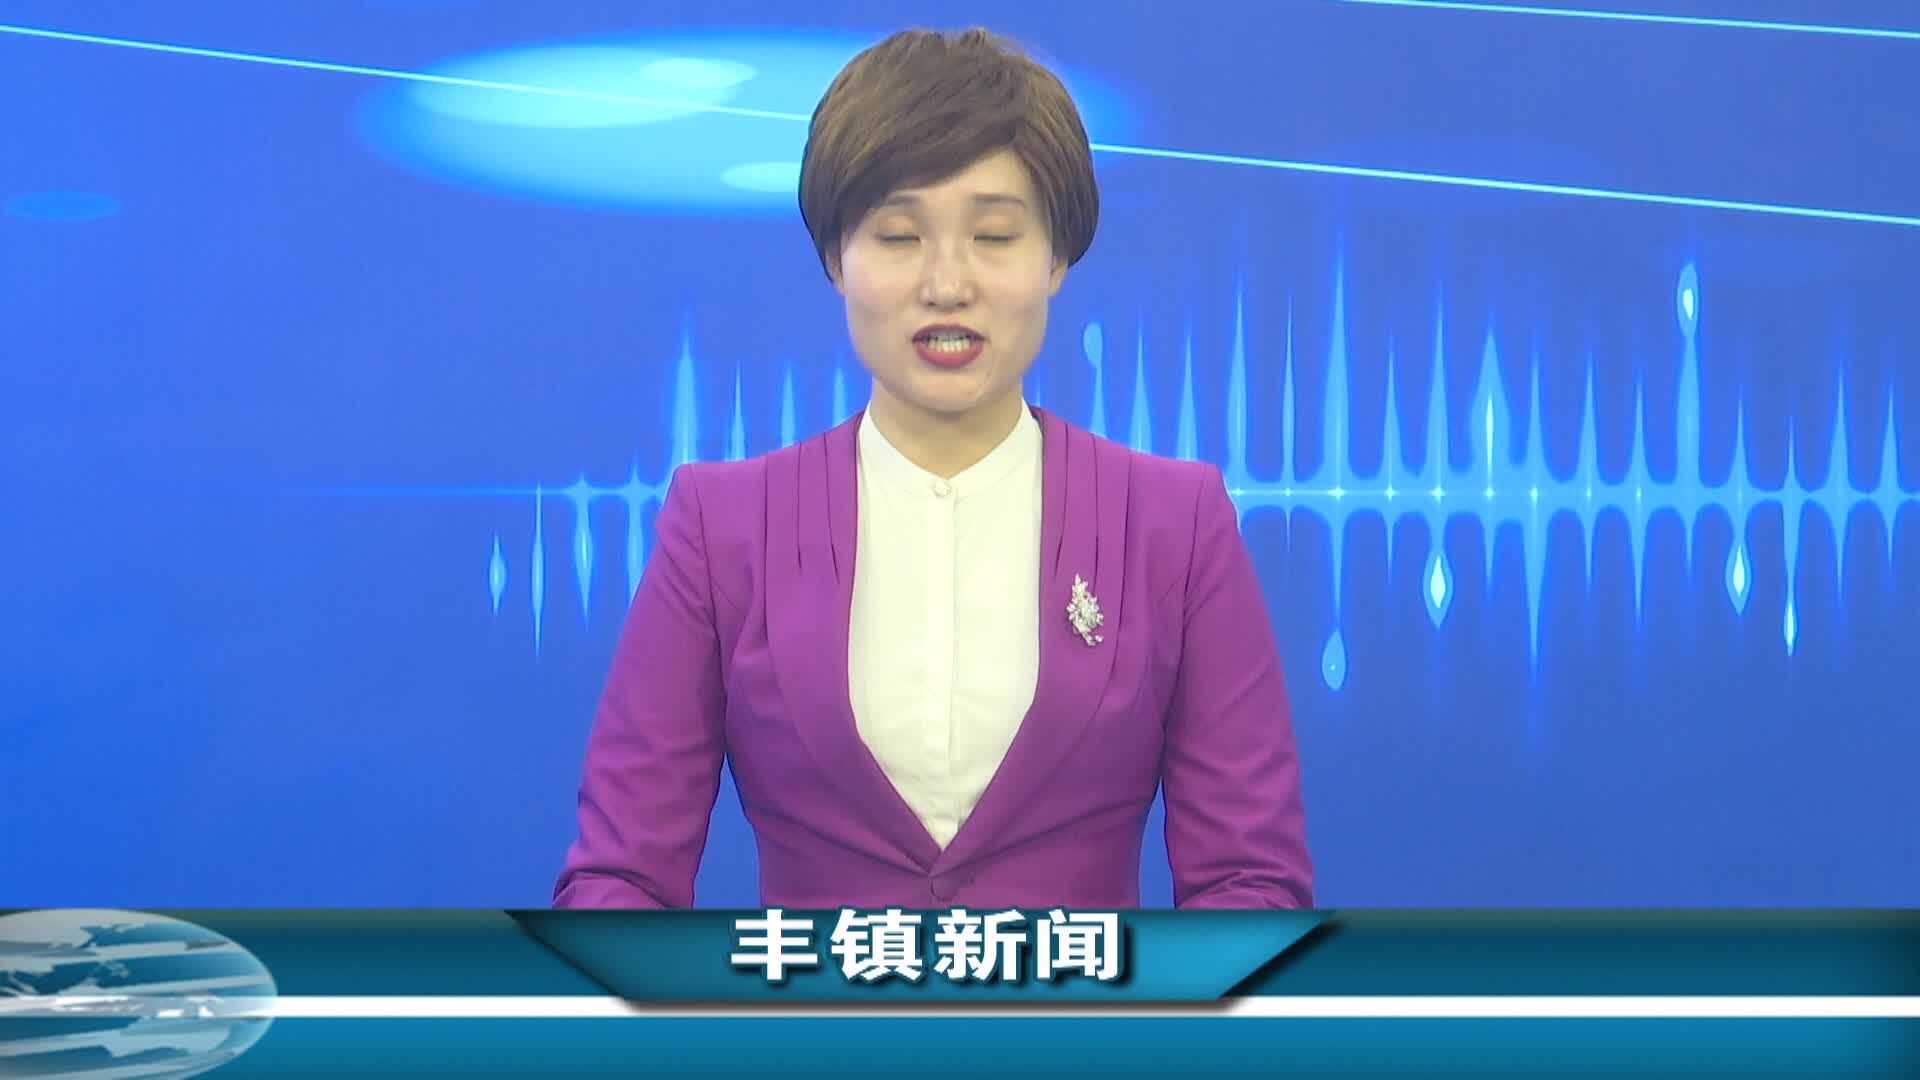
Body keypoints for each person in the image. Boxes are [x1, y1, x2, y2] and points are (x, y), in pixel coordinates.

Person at [554, 27, 1311, 909]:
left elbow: (1250, 883)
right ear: (835, 258)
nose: (948, 284)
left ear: (1057, 257)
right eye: (899, 234)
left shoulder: (1174, 523)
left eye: (994, 235)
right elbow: (619, 880)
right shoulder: (722, 526)